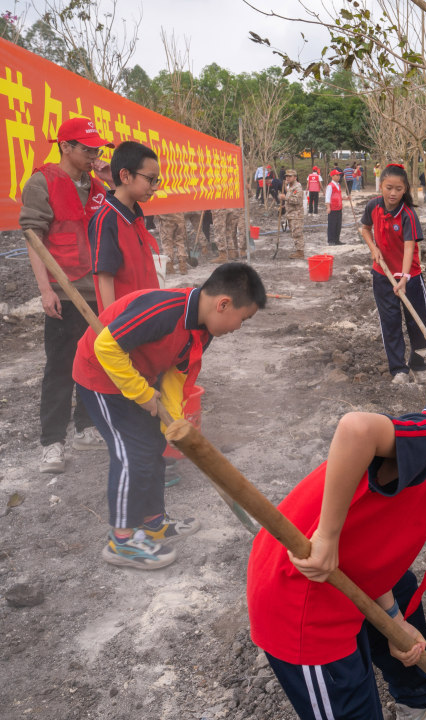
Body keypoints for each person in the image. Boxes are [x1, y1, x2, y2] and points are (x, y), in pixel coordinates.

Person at [246, 336, 426, 720]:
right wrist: (325, 538)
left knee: (403, 590)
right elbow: (356, 428)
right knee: (353, 708)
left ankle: (419, 697)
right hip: (301, 601)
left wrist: (393, 620)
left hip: (341, 574)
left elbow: (377, 546)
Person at [72, 263, 266, 568]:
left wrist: (173, 420)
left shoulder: (203, 328)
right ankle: (121, 541)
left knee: (152, 449)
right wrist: (142, 392)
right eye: (243, 319)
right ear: (223, 304)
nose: (238, 328)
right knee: (130, 454)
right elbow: (105, 346)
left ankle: (152, 523)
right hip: (102, 378)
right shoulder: (164, 310)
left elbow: (178, 372)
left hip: (140, 380)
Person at [19, 116, 113, 473]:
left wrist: (107, 181)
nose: (94, 155)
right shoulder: (42, 182)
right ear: (66, 147)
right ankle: (52, 442)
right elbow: (33, 237)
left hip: (97, 287)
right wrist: (45, 290)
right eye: (87, 149)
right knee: (60, 366)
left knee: (93, 360)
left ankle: (86, 427)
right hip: (63, 287)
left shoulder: (97, 185)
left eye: (97, 149)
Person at [361, 164, 426, 384]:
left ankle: (419, 365)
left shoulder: (408, 215)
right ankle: (399, 370)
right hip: (382, 275)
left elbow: (410, 247)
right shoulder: (373, 206)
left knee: (417, 322)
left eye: (398, 189)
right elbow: (364, 228)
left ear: (405, 190)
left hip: (410, 276)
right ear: (381, 185)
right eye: (389, 187)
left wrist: (404, 278)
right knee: (390, 322)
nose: (393, 193)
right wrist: (373, 248)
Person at [88, 141, 161, 313]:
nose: (155, 187)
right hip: (126, 322)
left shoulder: (135, 213)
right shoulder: (107, 219)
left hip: (146, 313)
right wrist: (112, 327)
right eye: (150, 179)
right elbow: (105, 279)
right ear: (125, 176)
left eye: (156, 180)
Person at [281, 170, 306, 260]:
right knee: (294, 233)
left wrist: (285, 198)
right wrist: (284, 205)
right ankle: (298, 250)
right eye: (286, 176)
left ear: (295, 177)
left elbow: (297, 201)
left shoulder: (297, 187)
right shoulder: (290, 187)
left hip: (296, 214)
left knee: (297, 233)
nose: (287, 178)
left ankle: (300, 252)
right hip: (291, 214)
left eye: (290, 176)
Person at [326, 170, 344, 246]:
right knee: (332, 224)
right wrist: (328, 207)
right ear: (332, 176)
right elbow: (327, 197)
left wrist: (345, 198)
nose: (339, 176)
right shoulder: (330, 186)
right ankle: (331, 240)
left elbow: (338, 196)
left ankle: (337, 240)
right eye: (337, 175)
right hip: (332, 208)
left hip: (339, 207)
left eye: (339, 175)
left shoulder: (338, 185)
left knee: (338, 225)